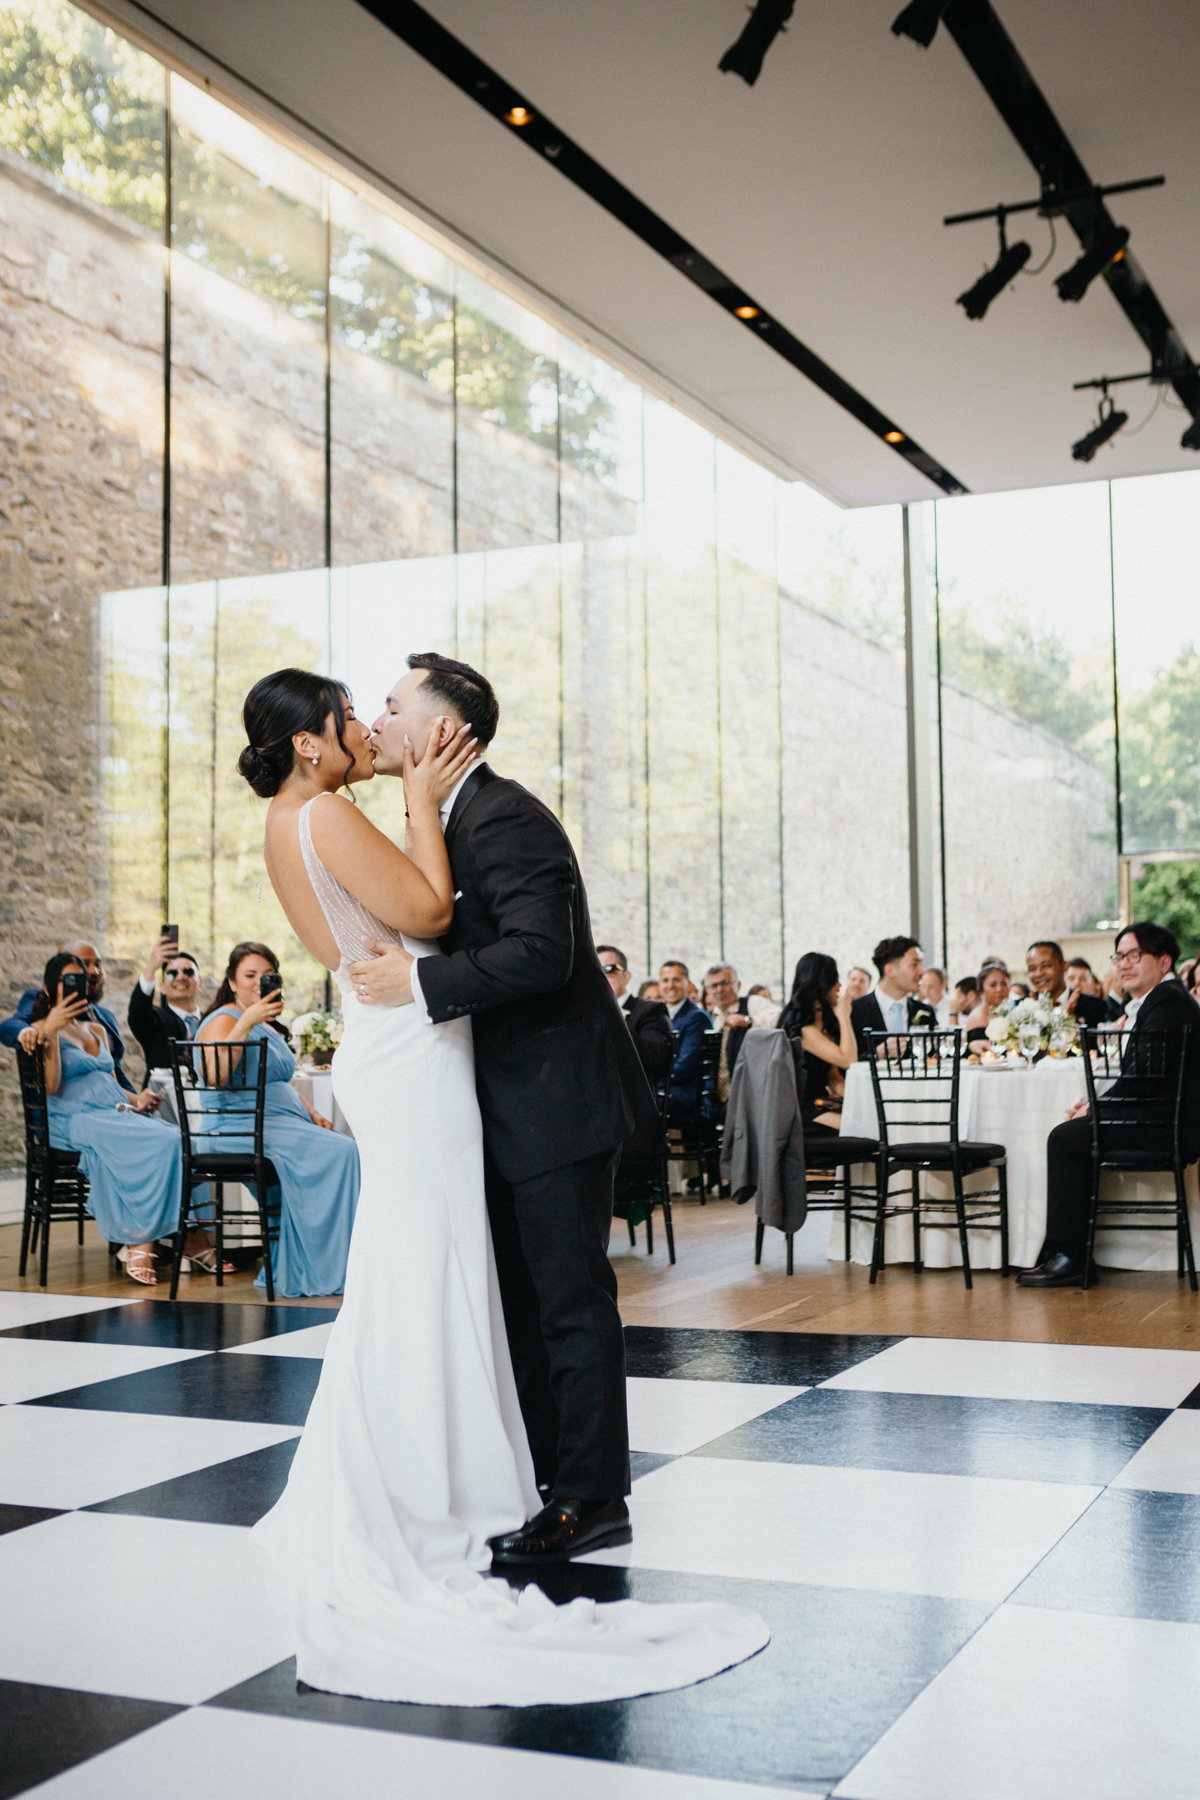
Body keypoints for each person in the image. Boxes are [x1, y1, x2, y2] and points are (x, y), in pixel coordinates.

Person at [238, 662, 763, 1707]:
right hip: (434, 1065)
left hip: (538, 1090)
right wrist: (422, 829)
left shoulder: (504, 817)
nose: (372, 721)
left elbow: (534, 947)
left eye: (388, 708)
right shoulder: (346, 815)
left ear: (445, 731)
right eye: (357, 712)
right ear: (307, 743)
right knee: (455, 1276)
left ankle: (579, 1497)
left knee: (544, 1291)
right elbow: (429, 910)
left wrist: (424, 965)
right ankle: (481, 1484)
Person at [17, 953, 219, 1285]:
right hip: (74, 1119)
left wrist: (137, 1098)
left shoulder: (96, 1027)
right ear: (48, 987)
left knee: (176, 1138)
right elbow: (50, 1086)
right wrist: (51, 1030)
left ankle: (184, 1239)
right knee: (164, 1140)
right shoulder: (38, 1030)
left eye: (80, 979)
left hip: (113, 1112)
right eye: (66, 980)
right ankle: (146, 1239)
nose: (75, 986)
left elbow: (110, 1082)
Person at [1018, 921, 1200, 1288]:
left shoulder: (1167, 1004)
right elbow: (1141, 1079)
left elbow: (1142, 1081)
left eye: (1134, 955)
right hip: (1160, 1117)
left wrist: (1094, 1110)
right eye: (1119, 956)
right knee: (1074, 1132)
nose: (1123, 964)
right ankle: (1069, 1253)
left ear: (1164, 962)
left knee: (1065, 1139)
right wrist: (1094, 1107)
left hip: (1166, 1126)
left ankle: (1071, 1257)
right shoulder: (1163, 1000)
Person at [197, 942, 359, 1298]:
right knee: (344, 1154)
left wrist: (312, 1111)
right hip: (236, 1128)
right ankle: (326, 1266)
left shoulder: (266, 1024)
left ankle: (329, 1259)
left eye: (266, 975)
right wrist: (246, 1022)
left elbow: (276, 1080)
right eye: (249, 975)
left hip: (279, 1125)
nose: (258, 982)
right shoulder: (224, 1019)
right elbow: (215, 1076)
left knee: (347, 1147)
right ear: (232, 981)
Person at [2, 939, 135, 1093]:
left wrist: (137, 1103)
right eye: (84, 964)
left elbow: (115, 1070)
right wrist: (28, 1033)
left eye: (98, 964)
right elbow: (9, 1025)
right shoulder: (40, 999)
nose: (94, 971)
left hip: (111, 1101)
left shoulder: (106, 1017)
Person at [779, 952, 856, 1132]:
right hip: (802, 1110)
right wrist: (845, 1017)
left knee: (867, 1121)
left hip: (822, 1104)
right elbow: (849, 1060)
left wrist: (859, 1098)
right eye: (834, 980)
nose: (839, 985)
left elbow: (833, 1075)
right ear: (820, 984)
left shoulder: (821, 1022)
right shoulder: (802, 1029)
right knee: (859, 1130)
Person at [850, 936, 938, 1058]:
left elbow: (936, 1055)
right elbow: (845, 1064)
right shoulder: (855, 1010)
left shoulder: (924, 1011)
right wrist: (876, 1054)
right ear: (890, 970)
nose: (921, 972)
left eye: (921, 965)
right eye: (914, 965)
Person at [128, 936, 203, 1072]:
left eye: (188, 972)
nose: (180, 977)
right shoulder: (155, 1019)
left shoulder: (212, 1020)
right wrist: (151, 968)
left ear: (200, 984)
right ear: (162, 987)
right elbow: (137, 1014)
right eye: (172, 974)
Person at [597, 944, 672, 1081]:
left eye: (608, 970)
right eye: (596, 971)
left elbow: (656, 1059)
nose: (601, 976)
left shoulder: (650, 1010)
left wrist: (612, 1018)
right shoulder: (588, 1015)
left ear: (626, 977)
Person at [657, 959, 713, 1115]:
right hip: (668, 1088)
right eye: (665, 980)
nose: (670, 985)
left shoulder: (696, 1018)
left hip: (687, 1094)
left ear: (688, 984)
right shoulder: (661, 1017)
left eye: (676, 980)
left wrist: (648, 1080)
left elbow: (684, 1069)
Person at [1026, 939, 1108, 1027]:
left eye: (1046, 966)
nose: (1039, 973)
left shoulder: (1094, 1006)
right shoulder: (1020, 1008)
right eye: (1032, 969)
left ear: (1064, 966)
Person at [705, 963, 751, 1107]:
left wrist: (747, 1020)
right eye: (714, 985)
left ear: (738, 984)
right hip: (713, 1097)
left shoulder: (751, 1005)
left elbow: (776, 1020)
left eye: (725, 983)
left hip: (747, 1091)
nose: (720, 989)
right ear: (707, 990)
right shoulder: (706, 1018)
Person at [964, 961, 1011, 1044]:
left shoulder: (1011, 1011)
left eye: (1003, 984)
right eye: (993, 985)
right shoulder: (978, 1016)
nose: (999, 989)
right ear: (981, 991)